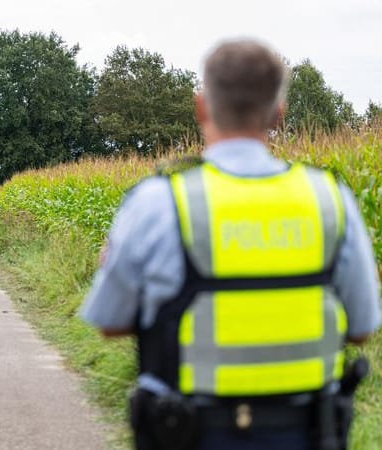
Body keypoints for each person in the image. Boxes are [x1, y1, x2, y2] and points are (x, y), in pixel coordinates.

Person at [80, 39, 381, 450]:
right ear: (279, 113)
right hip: (307, 432)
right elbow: (363, 327)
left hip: (187, 433)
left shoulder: (159, 202)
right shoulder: (330, 199)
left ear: (201, 107)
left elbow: (110, 322)